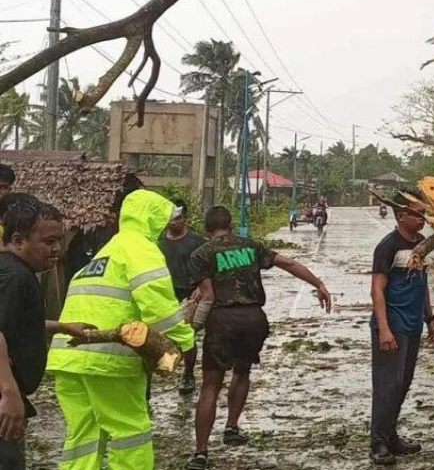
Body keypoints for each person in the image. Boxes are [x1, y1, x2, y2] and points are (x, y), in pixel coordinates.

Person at [47, 189, 196, 470]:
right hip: (107, 361)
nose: (165, 229)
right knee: (130, 431)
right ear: (152, 219)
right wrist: (185, 341)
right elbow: (157, 304)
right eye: (163, 221)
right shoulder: (140, 248)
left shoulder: (105, 253)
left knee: (84, 436)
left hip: (68, 357)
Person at [184, 206, 331, 470]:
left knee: (210, 385)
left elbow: (207, 296)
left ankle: (201, 451)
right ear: (230, 225)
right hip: (253, 319)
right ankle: (232, 427)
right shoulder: (251, 246)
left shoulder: (201, 254)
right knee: (242, 372)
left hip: (222, 320)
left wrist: (190, 328)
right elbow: (289, 263)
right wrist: (318, 284)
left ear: (207, 230)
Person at [0, 195, 96, 469]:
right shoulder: (16, 277)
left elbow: (17, 327)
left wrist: (64, 327)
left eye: (59, 241)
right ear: (18, 240)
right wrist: (9, 394)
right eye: (48, 242)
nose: (57, 249)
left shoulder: (13, 270)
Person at [369, 189, 434, 466]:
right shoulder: (388, 246)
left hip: (412, 325)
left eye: (423, 212)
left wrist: (429, 318)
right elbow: (377, 289)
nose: (422, 217)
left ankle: (391, 434)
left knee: (404, 383)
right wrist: (384, 328)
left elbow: (422, 283)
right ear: (400, 215)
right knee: (387, 384)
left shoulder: (421, 243)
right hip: (392, 324)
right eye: (416, 213)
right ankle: (378, 443)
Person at [157, 199, 206, 395]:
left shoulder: (197, 242)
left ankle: (188, 373)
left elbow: (210, 264)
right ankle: (166, 367)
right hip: (167, 295)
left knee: (187, 336)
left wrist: (202, 287)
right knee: (164, 336)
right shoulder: (159, 243)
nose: (174, 222)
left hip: (190, 294)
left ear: (185, 219)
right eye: (171, 219)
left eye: (178, 218)